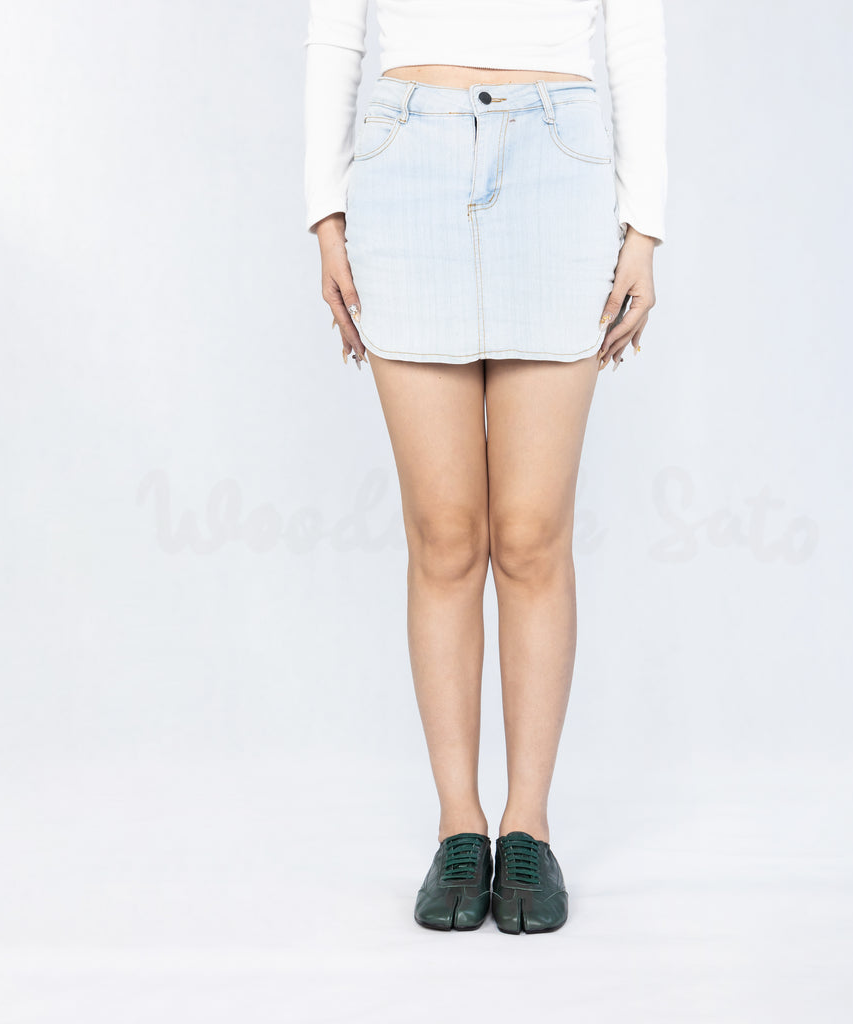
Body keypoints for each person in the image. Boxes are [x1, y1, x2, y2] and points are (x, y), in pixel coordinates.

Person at [304, 0, 667, 934]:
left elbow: (634, 26)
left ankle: (529, 826)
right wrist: (325, 213)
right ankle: (459, 825)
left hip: (559, 158)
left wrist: (645, 227)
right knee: (445, 536)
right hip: (405, 158)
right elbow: (337, 25)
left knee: (532, 537)